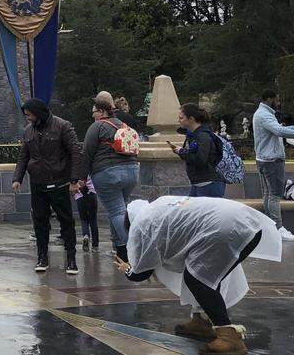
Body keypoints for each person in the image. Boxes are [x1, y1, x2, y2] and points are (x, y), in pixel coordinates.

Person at [114, 196, 282, 355]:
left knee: (198, 279)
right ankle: (201, 321)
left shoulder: (142, 224)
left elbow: (142, 271)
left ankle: (228, 338)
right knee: (200, 273)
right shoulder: (160, 205)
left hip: (226, 228)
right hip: (244, 222)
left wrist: (127, 268)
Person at [11, 98, 83, 275]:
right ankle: (42, 257)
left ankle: (71, 259)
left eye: (29, 114)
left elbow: (75, 152)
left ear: (38, 112)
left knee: (66, 221)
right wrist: (17, 178)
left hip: (59, 180)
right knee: (40, 221)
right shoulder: (28, 131)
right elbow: (24, 156)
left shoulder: (62, 126)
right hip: (37, 182)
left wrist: (74, 180)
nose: (27, 117)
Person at [82, 92, 139, 262]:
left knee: (116, 211)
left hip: (107, 173)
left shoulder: (97, 127)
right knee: (120, 210)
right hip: (131, 171)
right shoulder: (122, 124)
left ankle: (131, 250)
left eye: (94, 112)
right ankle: (119, 249)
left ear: (101, 111)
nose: (93, 115)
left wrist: (80, 177)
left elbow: (87, 153)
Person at [251, 90, 294, 242]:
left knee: (268, 194)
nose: (278, 103)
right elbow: (278, 131)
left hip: (264, 159)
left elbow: (276, 127)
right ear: (269, 99)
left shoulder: (263, 113)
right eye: (276, 100)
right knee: (274, 195)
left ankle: (269, 226)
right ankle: (278, 228)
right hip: (271, 160)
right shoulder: (264, 115)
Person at [172, 103, 226, 198]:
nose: (178, 121)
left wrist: (182, 152)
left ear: (191, 119)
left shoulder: (202, 136)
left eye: (181, 118)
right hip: (199, 182)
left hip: (209, 183)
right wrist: (181, 151)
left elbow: (200, 160)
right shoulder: (193, 135)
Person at [74, 176, 99, 253]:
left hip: (79, 197)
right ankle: (95, 246)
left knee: (84, 220)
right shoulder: (90, 169)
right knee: (93, 221)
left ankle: (85, 236)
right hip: (92, 195)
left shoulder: (76, 171)